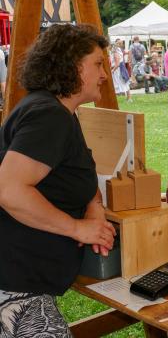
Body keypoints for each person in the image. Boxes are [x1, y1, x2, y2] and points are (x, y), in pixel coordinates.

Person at [0, 24, 116, 336]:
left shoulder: (58, 112)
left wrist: (94, 207)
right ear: (73, 67)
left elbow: (75, 171)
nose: (104, 74)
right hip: (15, 291)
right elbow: (9, 190)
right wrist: (77, 227)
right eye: (98, 64)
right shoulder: (49, 117)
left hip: (24, 285)